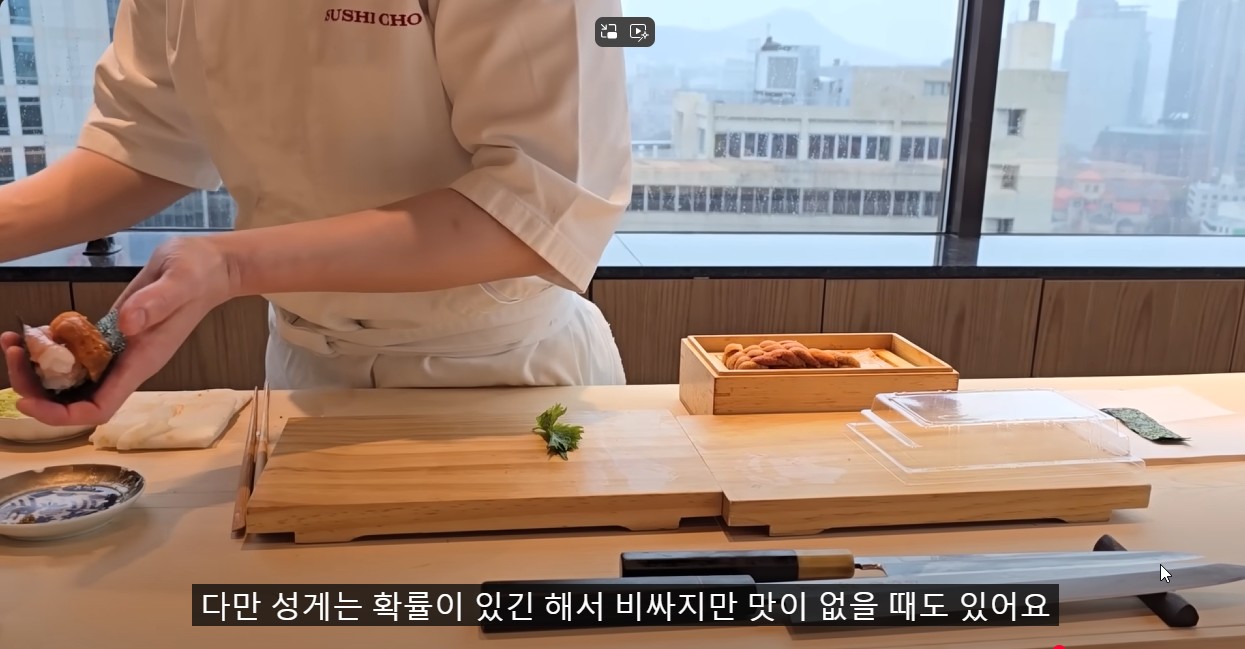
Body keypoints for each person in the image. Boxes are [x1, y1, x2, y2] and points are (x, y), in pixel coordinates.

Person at [0, 0, 632, 427]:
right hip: (304, 368)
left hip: (502, 374)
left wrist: (231, 266)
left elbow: (539, 204)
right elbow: (142, 143)